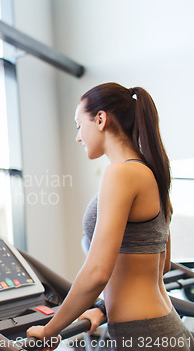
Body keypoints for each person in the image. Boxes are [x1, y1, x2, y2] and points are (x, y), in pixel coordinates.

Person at [26, 82, 194, 351]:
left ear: (101, 119)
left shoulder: (121, 174)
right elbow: (159, 267)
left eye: (79, 125)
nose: (78, 137)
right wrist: (103, 308)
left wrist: (50, 330)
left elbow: (97, 272)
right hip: (161, 328)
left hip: (141, 336)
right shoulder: (152, 173)